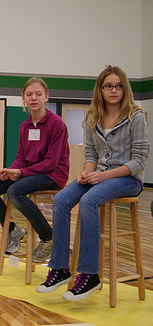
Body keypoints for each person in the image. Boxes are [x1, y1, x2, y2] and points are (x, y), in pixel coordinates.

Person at [36, 66, 150, 301]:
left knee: (89, 200)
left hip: (127, 179)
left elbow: (139, 160)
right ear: (100, 89)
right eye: (108, 86)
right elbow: (91, 156)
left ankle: (90, 274)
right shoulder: (93, 118)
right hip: (99, 176)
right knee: (61, 199)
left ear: (125, 88)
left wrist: (102, 176)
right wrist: (87, 173)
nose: (114, 90)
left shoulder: (136, 116)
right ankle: (59, 268)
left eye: (119, 86)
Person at [0, 77, 70, 262]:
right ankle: (13, 230)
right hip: (31, 172)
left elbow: (51, 162)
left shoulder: (56, 124)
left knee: (15, 191)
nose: (34, 98)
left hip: (53, 174)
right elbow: (21, 159)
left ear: (46, 97)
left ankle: (48, 237)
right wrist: (10, 170)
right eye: (29, 94)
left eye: (38, 94)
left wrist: (22, 172)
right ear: (23, 98)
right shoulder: (24, 126)